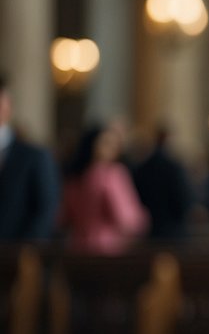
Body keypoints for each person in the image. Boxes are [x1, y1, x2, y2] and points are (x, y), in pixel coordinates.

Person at [60, 124, 149, 254]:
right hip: (108, 250)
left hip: (77, 247)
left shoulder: (74, 177)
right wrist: (142, 219)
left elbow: (62, 218)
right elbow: (124, 218)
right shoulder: (112, 175)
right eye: (107, 143)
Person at [0, 73, 60, 241]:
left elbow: (46, 209)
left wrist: (26, 250)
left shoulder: (34, 157)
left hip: (15, 256)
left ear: (7, 107)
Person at [129, 126, 195, 241]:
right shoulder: (174, 168)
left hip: (149, 232)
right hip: (174, 232)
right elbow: (183, 200)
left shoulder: (142, 168)